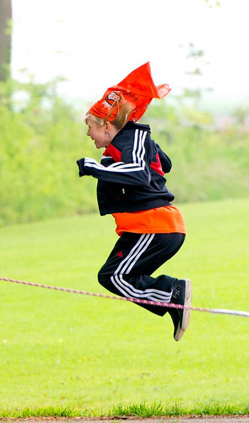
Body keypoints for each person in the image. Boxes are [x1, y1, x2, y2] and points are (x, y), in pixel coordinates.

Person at [74, 63, 192, 341]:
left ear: (106, 125)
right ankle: (172, 297)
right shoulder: (128, 144)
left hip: (155, 228)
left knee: (114, 277)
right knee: (112, 276)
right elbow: (164, 163)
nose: (88, 134)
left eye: (90, 127)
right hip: (144, 228)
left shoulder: (132, 137)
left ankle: (172, 292)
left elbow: (139, 173)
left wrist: (94, 167)